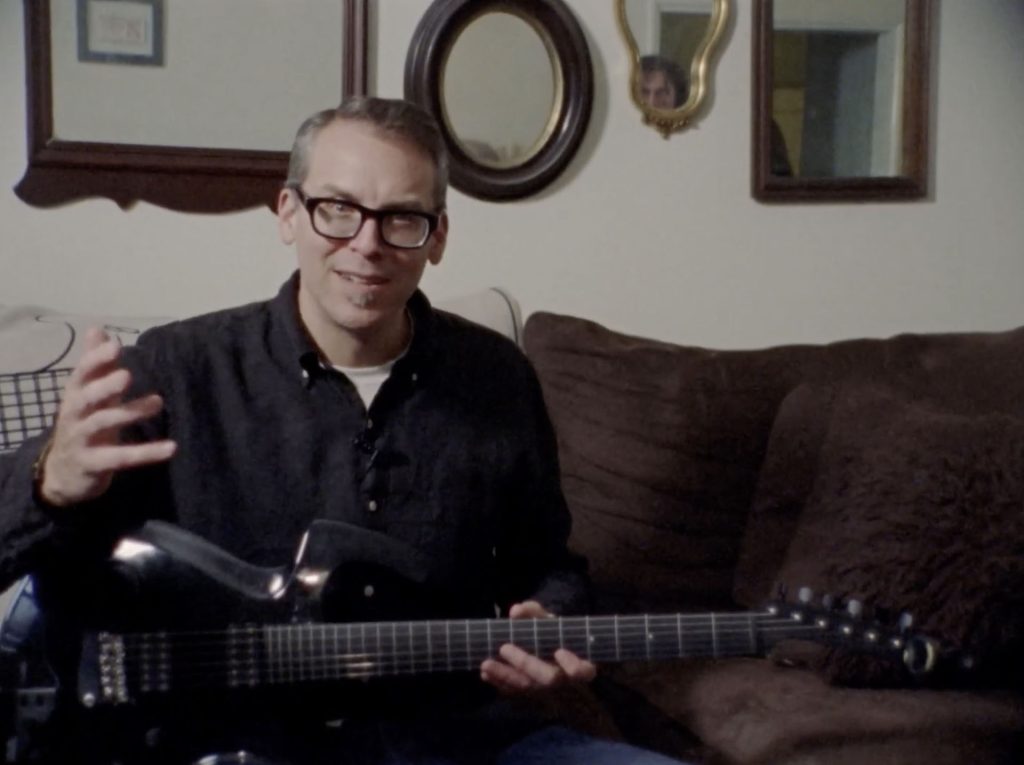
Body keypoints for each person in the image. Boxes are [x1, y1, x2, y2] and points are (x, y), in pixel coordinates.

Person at [0, 97, 687, 764]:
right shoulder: (175, 368)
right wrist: (48, 482)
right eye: (338, 210)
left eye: (402, 219)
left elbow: (548, 561)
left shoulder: (498, 377)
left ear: (438, 236)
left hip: (452, 735)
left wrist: (548, 614)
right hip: (230, 740)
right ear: (288, 213)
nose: (368, 245)